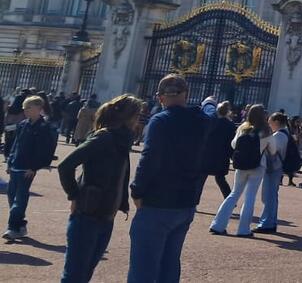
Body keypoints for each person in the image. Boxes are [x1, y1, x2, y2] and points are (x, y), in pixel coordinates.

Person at [127, 74, 209, 283]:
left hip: (158, 202)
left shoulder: (160, 120)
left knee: (143, 270)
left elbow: (150, 158)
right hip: (186, 203)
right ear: (186, 95)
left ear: (160, 97)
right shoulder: (202, 121)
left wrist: (137, 190)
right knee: (170, 266)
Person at [58, 93, 143, 281]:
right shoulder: (104, 137)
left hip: (105, 214)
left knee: (85, 272)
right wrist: (74, 194)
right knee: (75, 274)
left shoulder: (121, 140)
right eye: (137, 115)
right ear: (127, 117)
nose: (139, 120)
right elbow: (65, 166)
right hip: (87, 213)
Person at [209, 104, 271, 237]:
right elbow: (272, 149)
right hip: (258, 165)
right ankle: (243, 229)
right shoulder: (265, 130)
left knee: (234, 194)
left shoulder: (243, 127)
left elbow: (233, 144)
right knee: (250, 197)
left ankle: (217, 225)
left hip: (241, 164)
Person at [3, 95, 56, 242]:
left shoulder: (44, 127)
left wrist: (34, 168)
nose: (25, 110)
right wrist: (10, 162)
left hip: (28, 169)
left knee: (20, 199)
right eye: (24, 108)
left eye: (28, 108)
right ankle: (20, 224)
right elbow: (16, 145)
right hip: (16, 165)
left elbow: (45, 150)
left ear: (38, 109)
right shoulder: (23, 124)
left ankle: (13, 228)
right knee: (11, 196)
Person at [255, 112, 289, 233]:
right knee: (272, 195)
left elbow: (270, 149)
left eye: (270, 122)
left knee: (268, 196)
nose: (269, 124)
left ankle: (267, 223)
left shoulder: (279, 135)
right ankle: (271, 221)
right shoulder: (285, 133)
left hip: (273, 167)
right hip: (277, 167)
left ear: (276, 122)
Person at [198, 101, 236, 202]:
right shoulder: (231, 125)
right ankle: (229, 201)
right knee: (220, 179)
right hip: (222, 156)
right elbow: (231, 143)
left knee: (200, 180)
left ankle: (195, 201)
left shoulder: (211, 122)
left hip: (207, 154)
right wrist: (231, 156)